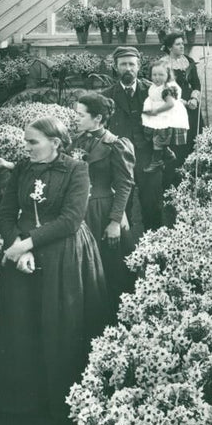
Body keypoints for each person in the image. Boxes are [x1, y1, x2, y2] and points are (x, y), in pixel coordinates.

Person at [0, 116, 109, 420]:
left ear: (55, 143)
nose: (26, 147)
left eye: (33, 142)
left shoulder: (77, 169)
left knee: (61, 325)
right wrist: (18, 245)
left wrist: (26, 244)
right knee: (23, 326)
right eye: (26, 141)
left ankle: (63, 402)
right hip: (24, 255)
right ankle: (26, 401)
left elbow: (71, 220)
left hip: (64, 254)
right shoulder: (21, 168)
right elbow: (4, 215)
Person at [72, 92, 136, 310]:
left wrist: (116, 221)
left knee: (111, 268)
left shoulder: (115, 145)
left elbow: (125, 185)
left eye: (80, 115)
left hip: (103, 212)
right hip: (79, 212)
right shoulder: (76, 141)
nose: (76, 119)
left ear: (97, 118)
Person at [101, 46, 162, 231]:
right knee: (121, 206)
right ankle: (124, 251)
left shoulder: (153, 91)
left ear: (138, 66)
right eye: (123, 64)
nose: (128, 68)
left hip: (148, 156)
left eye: (131, 64)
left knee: (152, 205)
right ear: (116, 67)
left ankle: (155, 248)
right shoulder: (107, 96)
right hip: (120, 159)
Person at [142, 60, 189, 173]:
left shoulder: (166, 89)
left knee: (158, 139)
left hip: (166, 116)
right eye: (154, 75)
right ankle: (167, 153)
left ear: (168, 75)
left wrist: (156, 111)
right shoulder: (155, 86)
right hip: (159, 117)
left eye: (161, 75)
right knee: (155, 135)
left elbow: (170, 104)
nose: (157, 78)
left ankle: (156, 161)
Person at [162, 31, 203, 160]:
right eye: (178, 44)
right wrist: (182, 102)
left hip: (191, 105)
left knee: (194, 136)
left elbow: (196, 83)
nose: (182, 46)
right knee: (178, 142)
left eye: (182, 44)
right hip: (174, 105)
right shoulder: (163, 64)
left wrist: (194, 99)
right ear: (170, 47)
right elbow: (163, 90)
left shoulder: (188, 60)